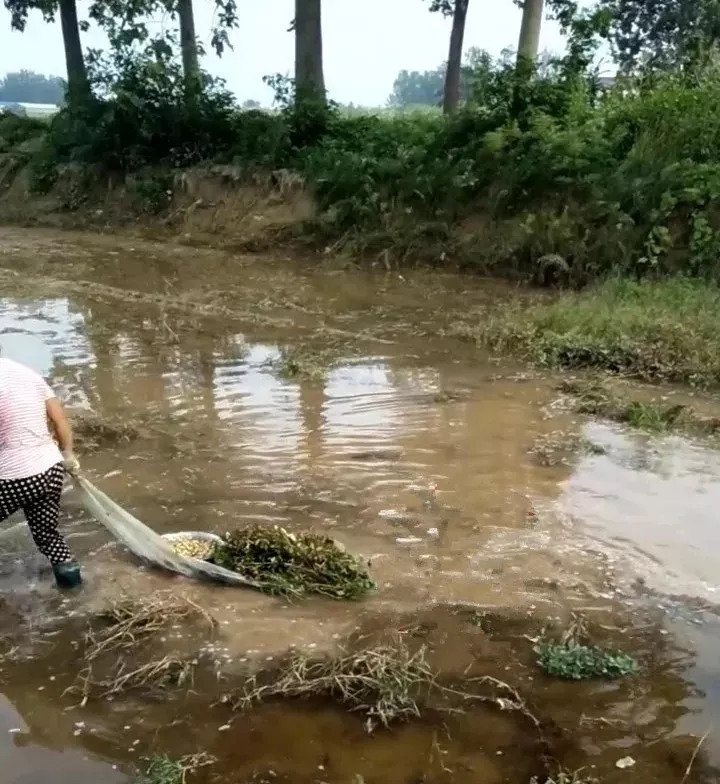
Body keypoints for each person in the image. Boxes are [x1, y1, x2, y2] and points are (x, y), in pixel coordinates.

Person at [0, 356, 82, 588]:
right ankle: (75, 592)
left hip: (13, 475)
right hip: (50, 469)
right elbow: (60, 421)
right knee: (48, 535)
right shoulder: (28, 373)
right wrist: (68, 455)